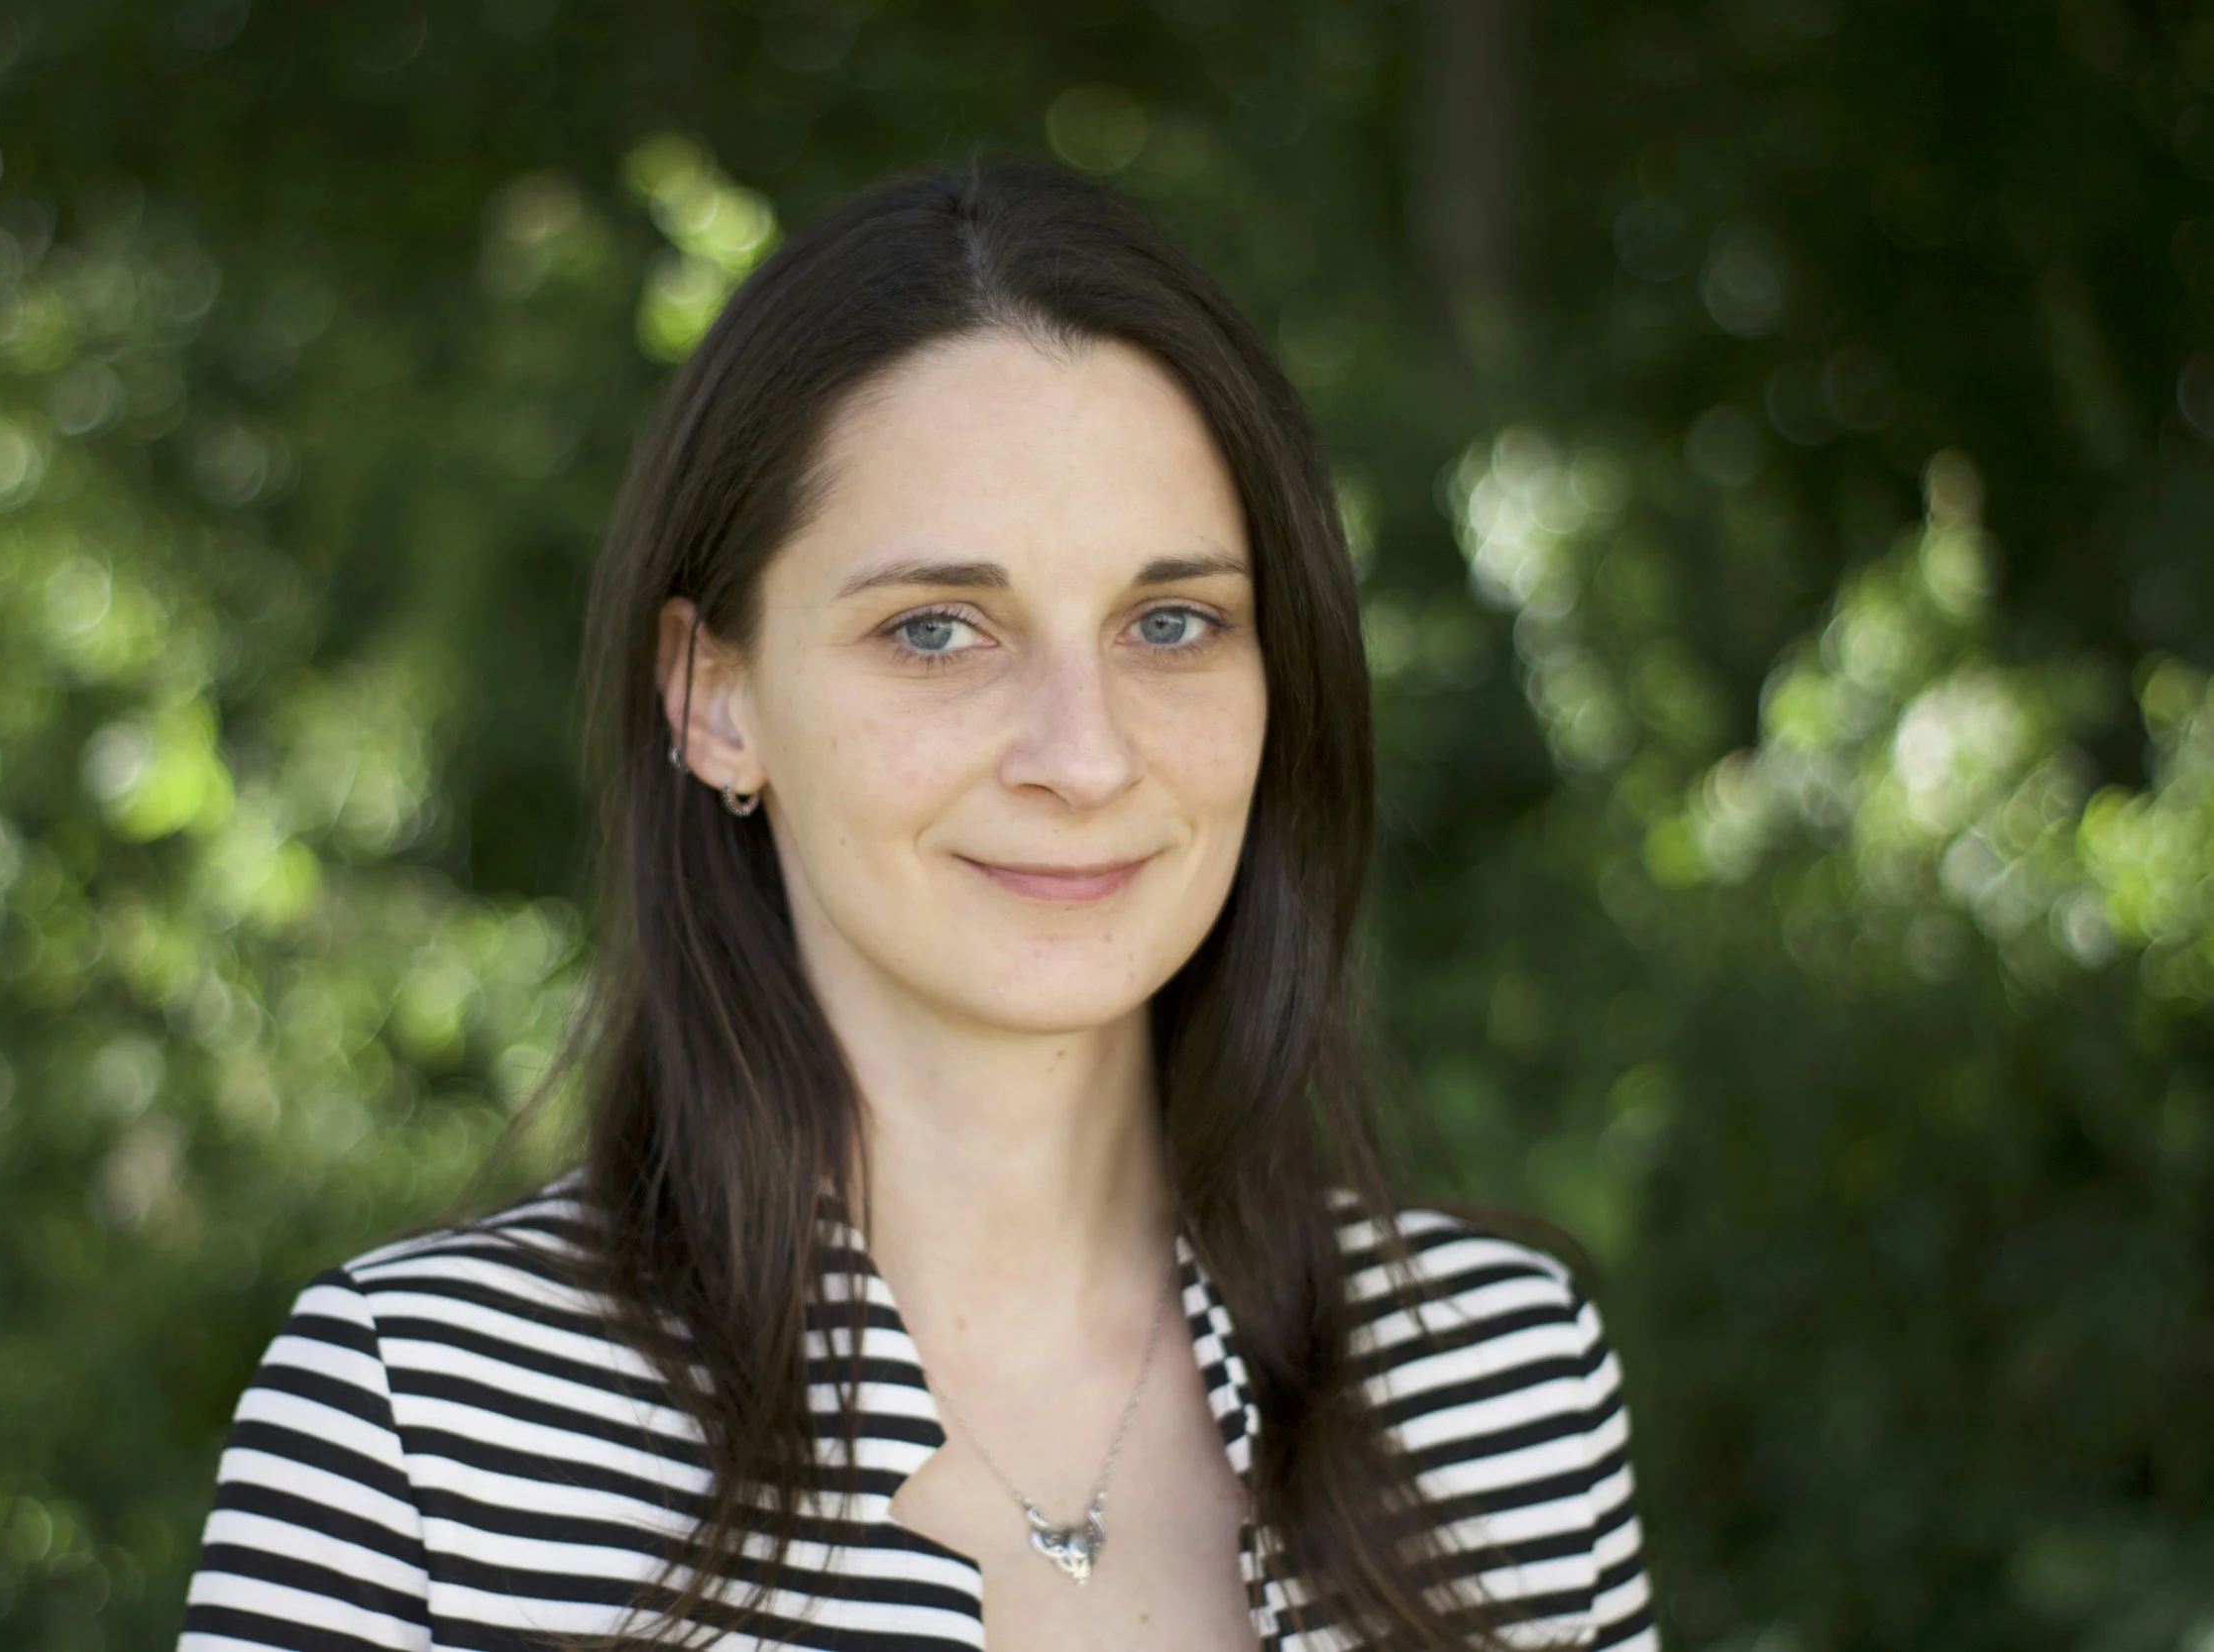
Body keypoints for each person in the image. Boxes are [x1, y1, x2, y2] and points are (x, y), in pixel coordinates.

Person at [176, 154, 1657, 1652]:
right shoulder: (418, 1428)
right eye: (939, 629)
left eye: (1172, 621)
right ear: (713, 696)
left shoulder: (1501, 1386)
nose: (1083, 755)